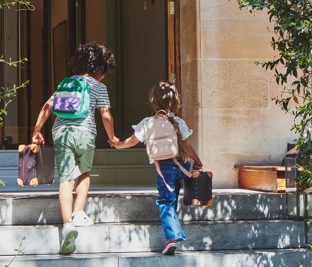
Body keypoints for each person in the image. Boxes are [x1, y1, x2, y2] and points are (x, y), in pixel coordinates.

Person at [32, 42, 119, 255]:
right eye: (104, 72)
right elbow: (105, 114)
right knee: (84, 173)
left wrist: (36, 130)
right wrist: (112, 137)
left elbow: (47, 106)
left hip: (61, 133)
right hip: (85, 133)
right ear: (99, 69)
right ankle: (78, 212)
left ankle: (67, 225)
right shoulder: (98, 86)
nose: (103, 77)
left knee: (66, 178)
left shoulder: (65, 83)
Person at [111, 81, 202, 256]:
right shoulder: (177, 121)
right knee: (173, 198)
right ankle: (175, 230)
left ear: (153, 101)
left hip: (165, 168)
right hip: (181, 165)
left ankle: (171, 239)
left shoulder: (147, 122)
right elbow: (186, 146)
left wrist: (117, 145)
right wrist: (197, 161)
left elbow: (131, 141)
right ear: (176, 102)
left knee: (165, 202)